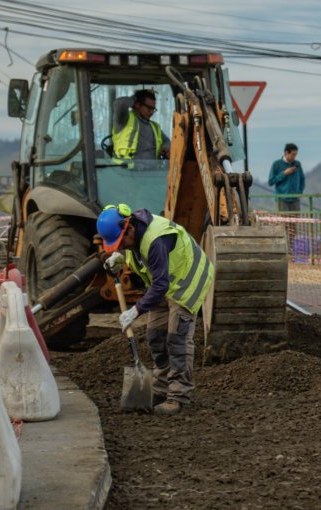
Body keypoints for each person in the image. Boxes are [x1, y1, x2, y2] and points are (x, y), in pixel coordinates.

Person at [96, 203, 213, 415]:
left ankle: (178, 396)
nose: (121, 246)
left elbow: (161, 284)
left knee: (176, 338)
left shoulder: (156, 239)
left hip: (187, 281)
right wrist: (119, 258)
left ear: (129, 228)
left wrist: (135, 311)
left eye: (122, 243)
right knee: (155, 335)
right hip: (164, 281)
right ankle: (160, 390)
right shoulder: (134, 236)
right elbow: (140, 256)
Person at [112, 89, 171, 161]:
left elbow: (167, 141)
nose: (151, 112)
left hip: (153, 170)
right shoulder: (124, 120)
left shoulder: (155, 127)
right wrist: (134, 99)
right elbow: (120, 103)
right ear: (137, 105)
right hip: (125, 170)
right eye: (149, 108)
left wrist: (166, 147)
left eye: (153, 109)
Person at [268, 143, 305, 211]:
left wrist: (300, 192)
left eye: (296, 155)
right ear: (286, 153)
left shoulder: (297, 164)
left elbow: (302, 179)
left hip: (295, 200)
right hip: (282, 200)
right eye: (293, 154)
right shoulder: (276, 164)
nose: (294, 157)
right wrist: (284, 173)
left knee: (295, 221)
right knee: (283, 221)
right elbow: (271, 182)